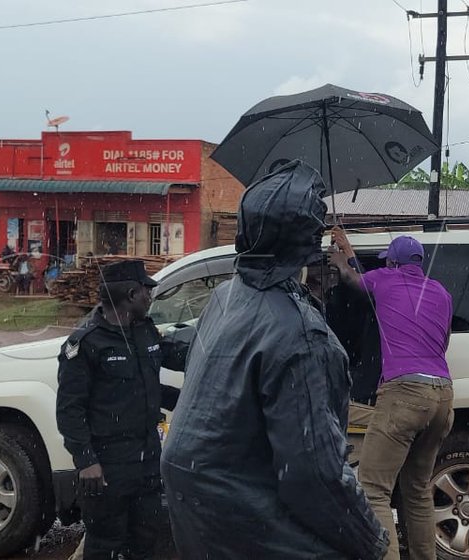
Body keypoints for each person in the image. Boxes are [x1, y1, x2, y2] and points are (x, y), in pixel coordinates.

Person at [161, 160, 388, 559]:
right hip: (245, 516)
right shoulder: (300, 336)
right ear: (306, 242)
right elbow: (314, 475)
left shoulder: (226, 297)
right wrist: (372, 540)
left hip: (201, 513)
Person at [329, 232, 455, 560]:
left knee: (373, 490)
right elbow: (443, 344)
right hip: (442, 396)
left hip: (404, 395)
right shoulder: (440, 292)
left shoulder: (385, 280)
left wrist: (340, 260)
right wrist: (348, 248)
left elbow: (354, 280)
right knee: (416, 491)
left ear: (393, 263)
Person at [55, 259, 192, 560]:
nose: (150, 296)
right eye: (146, 290)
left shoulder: (143, 331)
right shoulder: (86, 344)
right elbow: (69, 411)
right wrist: (86, 460)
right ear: (131, 295)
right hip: (107, 468)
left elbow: (155, 382)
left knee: (145, 542)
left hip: (147, 463)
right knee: (104, 545)